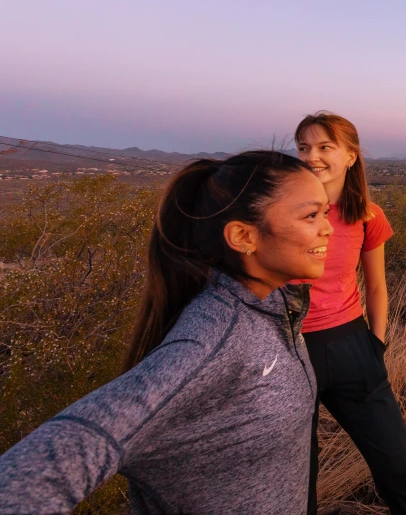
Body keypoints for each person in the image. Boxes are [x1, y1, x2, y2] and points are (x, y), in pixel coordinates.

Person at [0, 150, 331, 514]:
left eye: (325, 213)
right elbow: (60, 453)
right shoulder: (212, 340)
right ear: (242, 235)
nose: (328, 228)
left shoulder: (274, 305)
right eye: (311, 215)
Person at [294, 112, 406, 515]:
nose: (311, 157)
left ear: (351, 157)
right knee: (300, 484)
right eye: (303, 147)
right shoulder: (279, 213)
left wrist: (376, 343)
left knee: (400, 472)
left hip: (353, 345)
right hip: (290, 349)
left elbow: (376, 286)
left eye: (324, 147)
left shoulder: (366, 215)